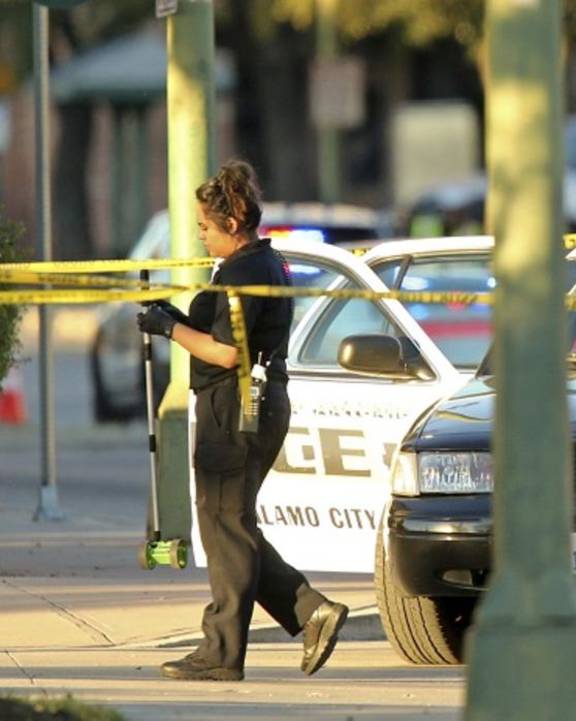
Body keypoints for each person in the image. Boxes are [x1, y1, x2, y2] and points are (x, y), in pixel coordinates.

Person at [137, 160, 347, 680]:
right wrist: (176, 318)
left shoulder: (243, 271)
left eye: (205, 226)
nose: (200, 236)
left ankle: (222, 651)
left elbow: (228, 352)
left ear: (231, 223)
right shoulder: (263, 263)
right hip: (254, 402)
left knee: (223, 523)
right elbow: (224, 337)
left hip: (234, 406)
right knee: (232, 522)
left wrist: (168, 329)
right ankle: (310, 611)